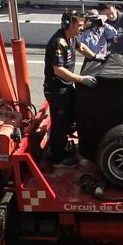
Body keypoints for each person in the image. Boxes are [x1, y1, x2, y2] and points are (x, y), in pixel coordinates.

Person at [44, 10, 98, 168]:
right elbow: (58, 70)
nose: (82, 27)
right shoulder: (58, 42)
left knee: (71, 117)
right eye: (79, 25)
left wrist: (95, 57)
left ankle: (62, 145)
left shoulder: (71, 37)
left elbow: (81, 47)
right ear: (69, 24)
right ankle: (58, 158)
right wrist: (81, 79)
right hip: (56, 89)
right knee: (59, 123)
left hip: (66, 86)